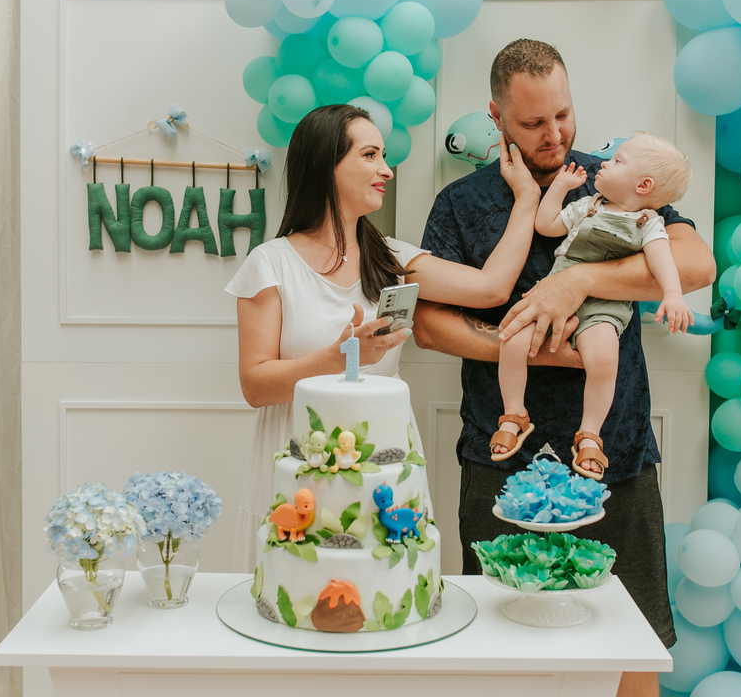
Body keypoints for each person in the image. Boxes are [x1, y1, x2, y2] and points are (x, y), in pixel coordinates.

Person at [413, 39, 714, 697]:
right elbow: (428, 324)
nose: (554, 134)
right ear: (496, 117)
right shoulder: (460, 204)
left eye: (563, 115)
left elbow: (695, 264)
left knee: (633, 645)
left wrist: (576, 283)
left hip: (614, 451)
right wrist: (523, 345)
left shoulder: (617, 179)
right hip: (499, 454)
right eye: (533, 123)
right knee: (495, 650)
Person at [225, 103, 540, 573]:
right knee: (298, 582)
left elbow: (491, 287)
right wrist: (341, 357)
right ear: (326, 165)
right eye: (370, 155)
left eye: (384, 156)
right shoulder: (270, 263)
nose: (387, 170)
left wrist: (528, 198)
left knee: (384, 583)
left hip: (384, 453)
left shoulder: (392, 258)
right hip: (300, 455)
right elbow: (255, 386)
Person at [493, 132, 695, 482]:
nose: (604, 163)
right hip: (553, 296)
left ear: (643, 185)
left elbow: (662, 260)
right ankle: (514, 414)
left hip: (604, 307)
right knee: (511, 340)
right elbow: (546, 225)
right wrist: (560, 187)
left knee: (603, 359)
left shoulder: (648, 222)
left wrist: (673, 294)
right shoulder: (589, 205)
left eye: (618, 161)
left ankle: (589, 434)